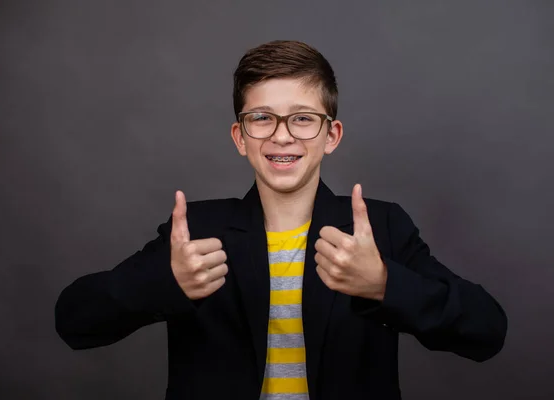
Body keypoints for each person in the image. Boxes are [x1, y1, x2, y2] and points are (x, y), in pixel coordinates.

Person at [55, 40, 507, 400]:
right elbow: (74, 319)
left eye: (303, 118)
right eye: (262, 117)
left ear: (332, 135)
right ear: (240, 136)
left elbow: (486, 330)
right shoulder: (195, 232)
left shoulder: (380, 229)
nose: (282, 134)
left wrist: (385, 284)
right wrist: (163, 282)